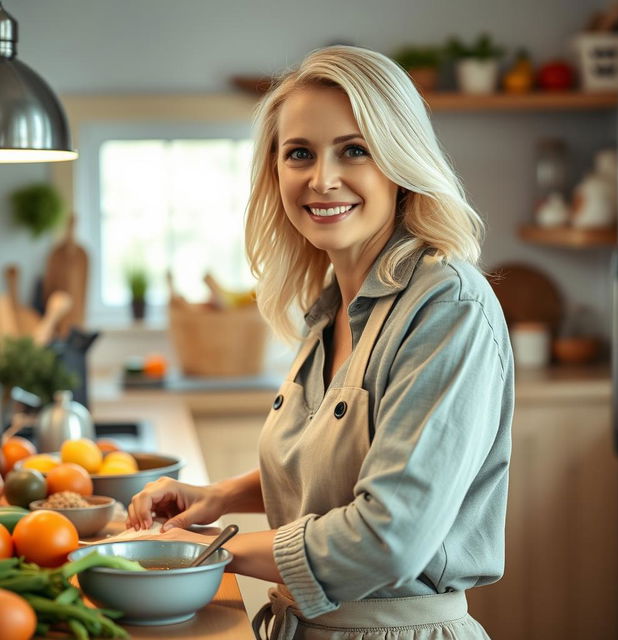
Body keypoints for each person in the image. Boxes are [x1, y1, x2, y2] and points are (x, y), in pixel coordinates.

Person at [127, 45, 514, 640]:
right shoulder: (331, 302)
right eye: (299, 153)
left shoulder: (447, 305)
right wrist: (217, 496)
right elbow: (343, 462)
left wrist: (202, 549)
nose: (322, 178)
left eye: (354, 150)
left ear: (399, 162)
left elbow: (388, 538)